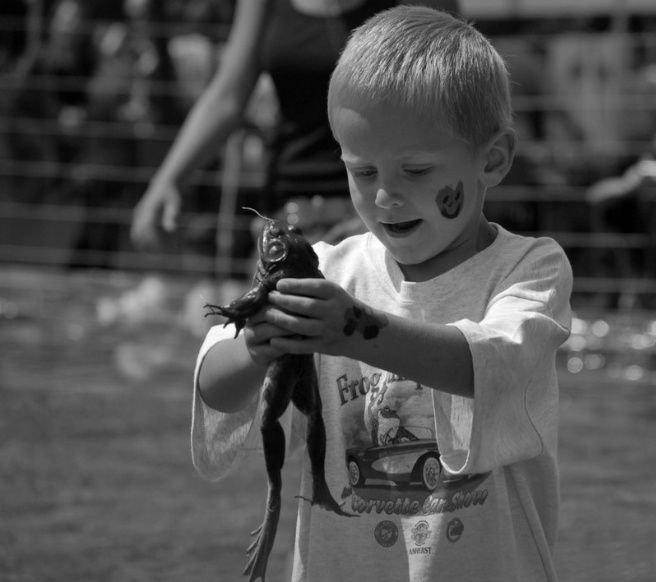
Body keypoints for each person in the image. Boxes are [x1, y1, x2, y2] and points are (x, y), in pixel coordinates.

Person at [192, 6, 573, 582]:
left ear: (492, 160)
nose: (385, 196)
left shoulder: (527, 270)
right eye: (363, 172)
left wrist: (355, 331)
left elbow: (491, 364)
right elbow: (215, 390)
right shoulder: (328, 271)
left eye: (415, 171)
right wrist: (256, 346)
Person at [130, 0, 461, 253]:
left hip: (387, 216)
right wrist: (167, 180)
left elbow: (455, 100)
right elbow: (227, 96)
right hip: (289, 218)